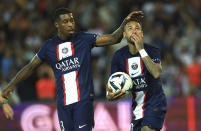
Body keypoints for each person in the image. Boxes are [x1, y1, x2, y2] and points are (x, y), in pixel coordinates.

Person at [1, 7, 143, 131]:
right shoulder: (49, 47)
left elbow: (113, 39)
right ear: (57, 25)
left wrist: (125, 23)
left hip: (83, 102)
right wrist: (11, 85)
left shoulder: (84, 39)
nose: (70, 24)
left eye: (72, 20)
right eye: (65, 21)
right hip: (63, 105)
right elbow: (30, 67)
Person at [106, 18, 167, 131]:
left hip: (155, 103)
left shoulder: (152, 50)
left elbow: (157, 73)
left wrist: (141, 49)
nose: (134, 31)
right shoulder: (118, 56)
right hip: (136, 108)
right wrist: (109, 95)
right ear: (124, 34)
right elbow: (112, 83)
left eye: (137, 28)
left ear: (142, 33)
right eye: (130, 28)